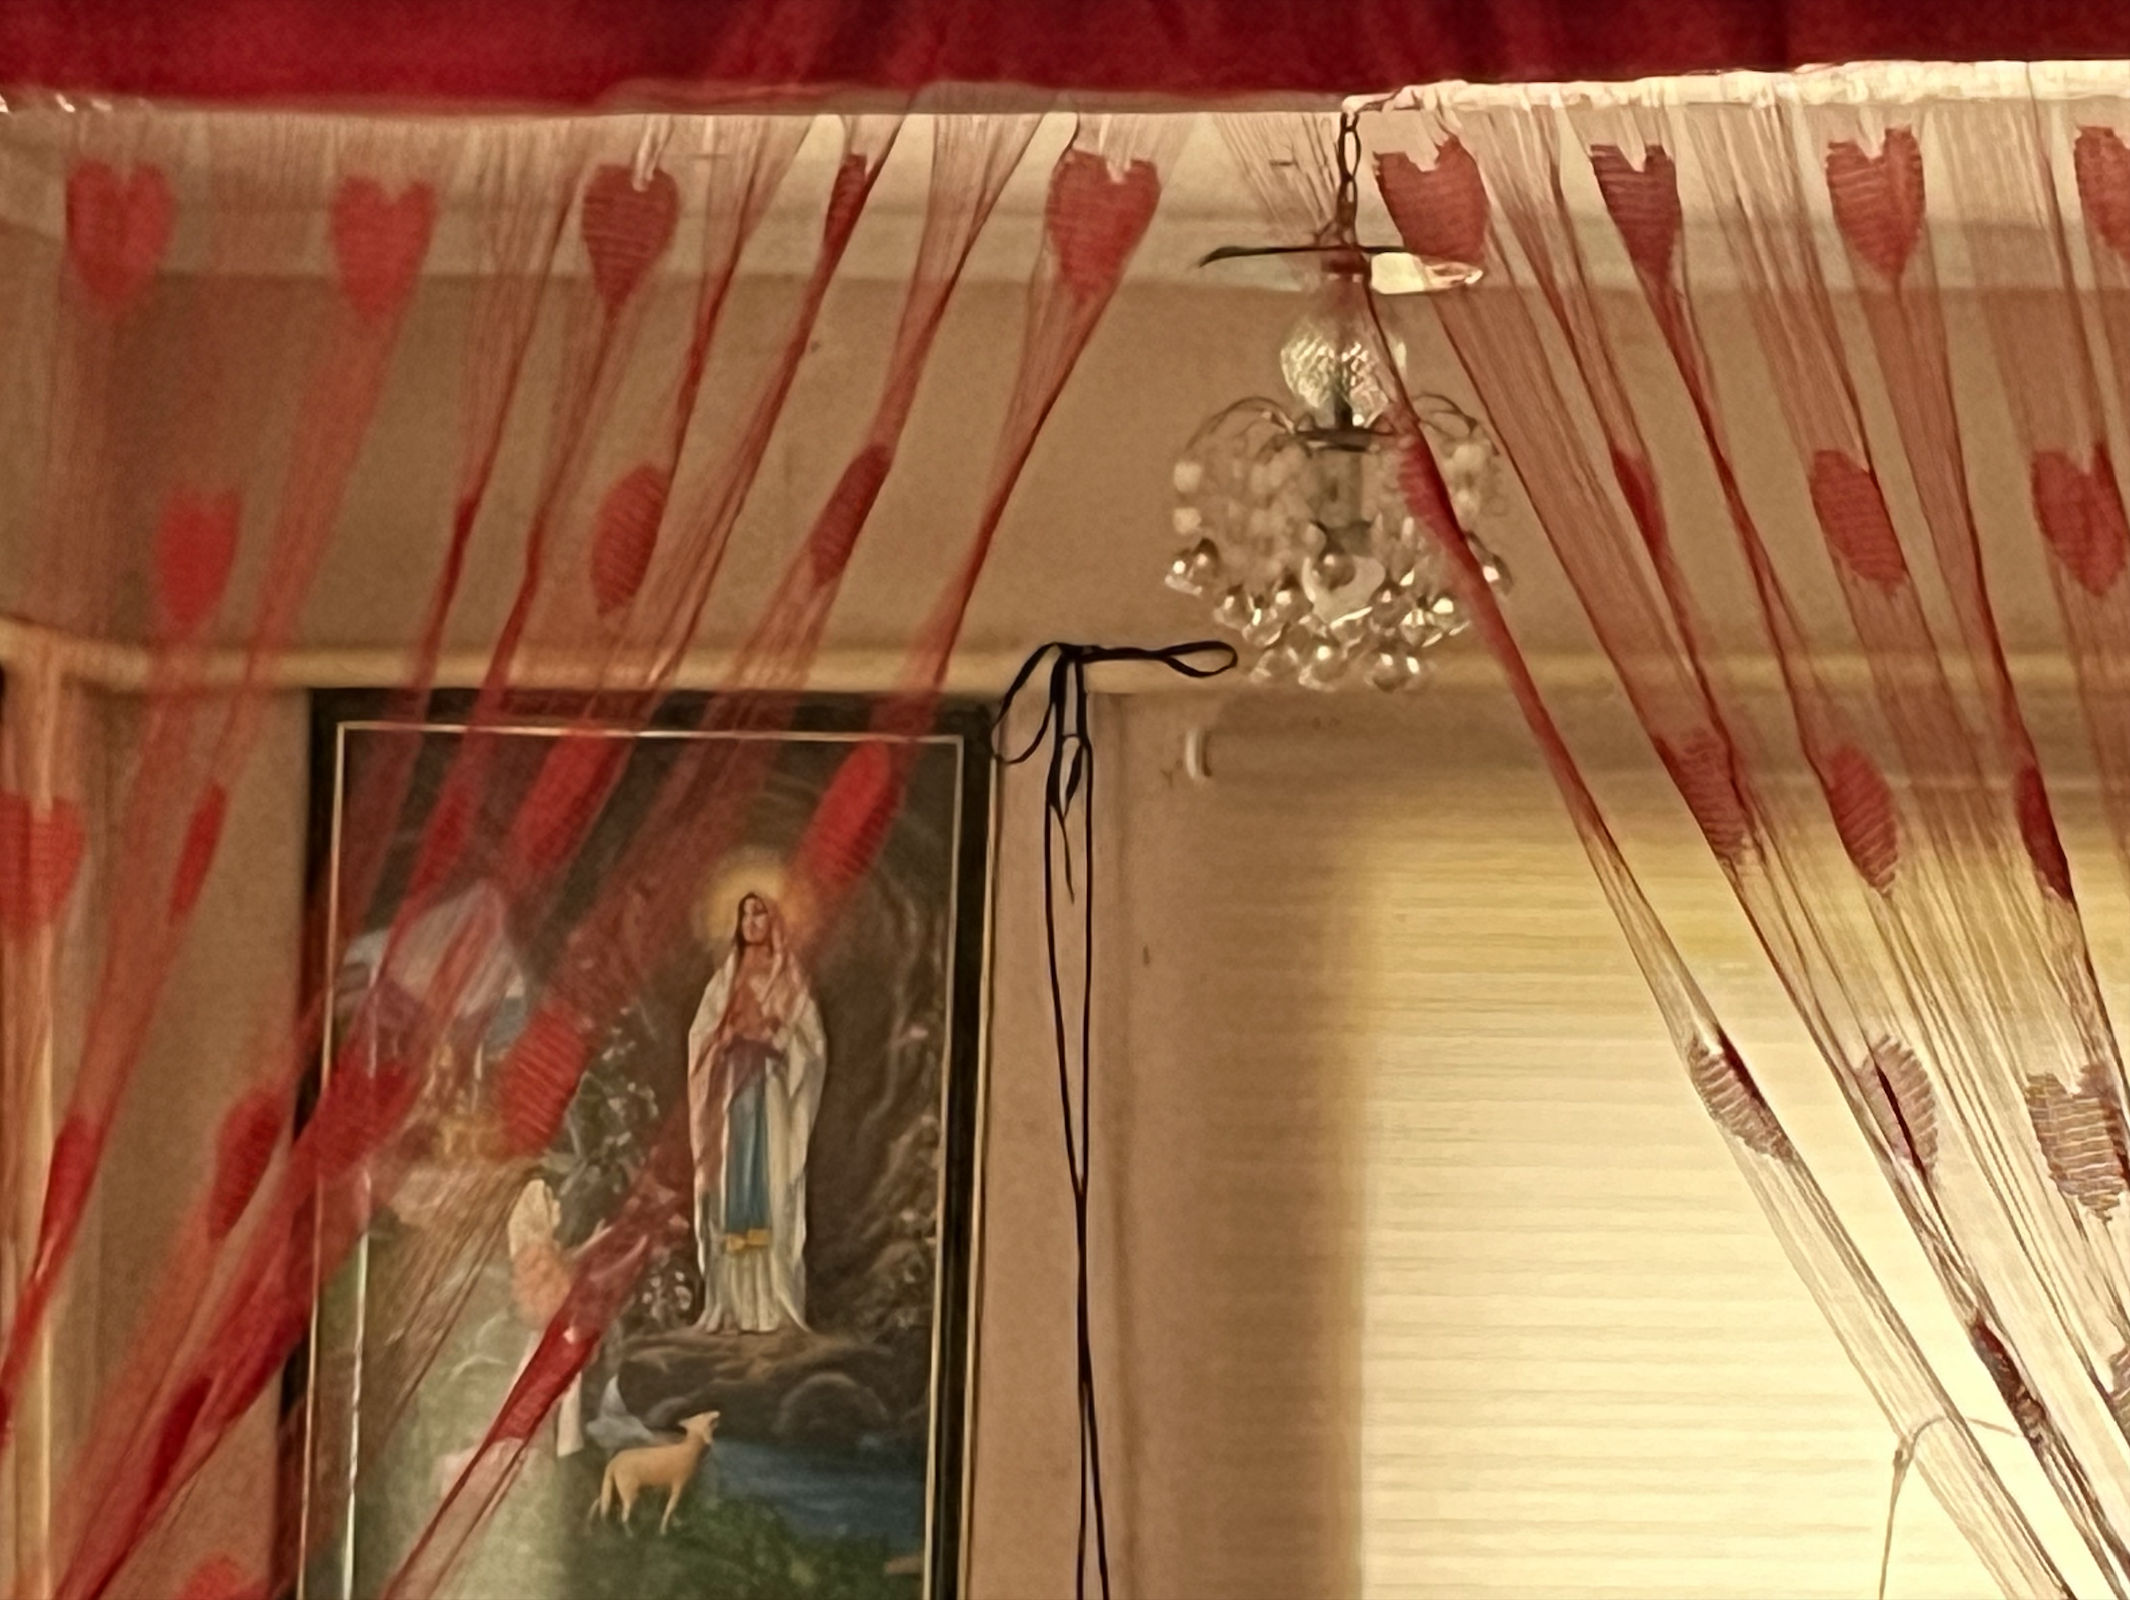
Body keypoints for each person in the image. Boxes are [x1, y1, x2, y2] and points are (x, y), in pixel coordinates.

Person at [685, 892, 826, 1333]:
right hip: (731, 1099)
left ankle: (773, 1306)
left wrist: (775, 1038)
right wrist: (723, 1040)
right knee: (731, 1196)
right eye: (744, 914)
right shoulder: (725, 980)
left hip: (772, 1097)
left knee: (773, 1191)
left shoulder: (789, 982)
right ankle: (731, 1307)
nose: (750, 921)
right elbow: (701, 1037)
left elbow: (813, 1044)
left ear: (773, 921)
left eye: (759, 912)